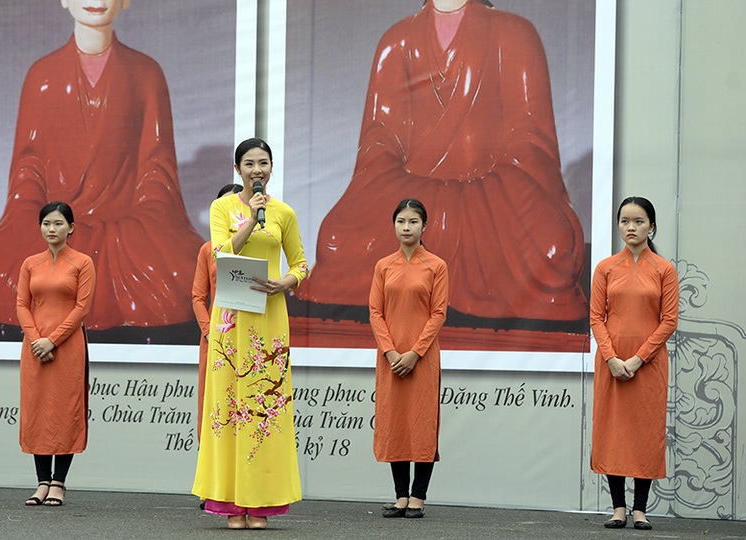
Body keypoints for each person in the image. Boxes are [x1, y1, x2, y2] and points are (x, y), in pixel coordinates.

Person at [300, 0, 587, 330]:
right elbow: (379, 143)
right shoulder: (398, 41)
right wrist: (426, 194)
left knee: (553, 248)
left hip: (495, 196)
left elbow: (529, 141)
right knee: (336, 241)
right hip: (409, 192)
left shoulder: (515, 33)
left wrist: (469, 197)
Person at [0, 0, 202, 332]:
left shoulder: (146, 73)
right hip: (53, 222)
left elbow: (156, 169)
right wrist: (42, 218)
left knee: (184, 271)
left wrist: (139, 220)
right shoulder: (42, 76)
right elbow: (28, 169)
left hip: (127, 230)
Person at [192, 138, 309, 529]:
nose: (256, 169)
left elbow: (301, 262)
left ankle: (260, 504)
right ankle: (230, 503)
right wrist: (248, 222)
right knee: (228, 407)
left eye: (263, 163)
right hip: (231, 318)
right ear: (238, 169)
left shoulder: (284, 213)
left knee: (262, 410)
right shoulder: (222, 207)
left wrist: (286, 282)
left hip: (269, 317)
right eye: (249, 163)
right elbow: (221, 251)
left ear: (271, 167)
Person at [590, 197, 678, 530]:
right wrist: (612, 358)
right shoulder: (606, 267)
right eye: (625, 221)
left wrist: (639, 358)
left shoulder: (664, 269)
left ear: (651, 227)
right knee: (613, 431)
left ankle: (640, 508)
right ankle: (618, 507)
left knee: (644, 430)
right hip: (611, 362)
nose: (631, 227)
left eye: (639, 221)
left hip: (649, 363)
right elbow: (596, 317)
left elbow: (668, 321)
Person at [369, 199, 448, 519]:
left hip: (422, 359)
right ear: (394, 225)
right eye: (401, 221)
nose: (406, 227)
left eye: (413, 222)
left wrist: (415, 353)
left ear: (424, 226)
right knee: (395, 424)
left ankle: (419, 496)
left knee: (422, 425)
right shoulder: (383, 266)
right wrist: (390, 352)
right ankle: (400, 496)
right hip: (390, 360)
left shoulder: (436, 266)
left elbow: (438, 313)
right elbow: (375, 312)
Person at [17, 201, 95, 507]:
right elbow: (22, 304)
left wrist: (53, 341)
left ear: (71, 228)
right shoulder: (30, 263)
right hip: (34, 349)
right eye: (47, 223)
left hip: (67, 347)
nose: (52, 229)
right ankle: (41, 483)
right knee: (37, 411)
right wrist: (37, 339)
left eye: (59, 224)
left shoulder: (82, 262)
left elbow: (82, 308)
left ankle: (59, 483)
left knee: (65, 411)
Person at [191, 183, 244, 442]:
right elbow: (198, 297)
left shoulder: (256, 245)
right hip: (215, 337)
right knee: (212, 399)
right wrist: (209, 331)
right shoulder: (208, 249)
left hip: (248, 334)